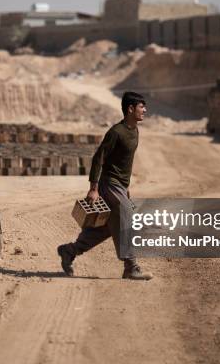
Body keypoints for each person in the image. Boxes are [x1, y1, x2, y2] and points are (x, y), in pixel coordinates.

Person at [57, 91, 153, 280]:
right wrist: (93, 189)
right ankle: (131, 267)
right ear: (130, 108)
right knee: (126, 217)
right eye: (142, 107)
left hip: (119, 186)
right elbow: (98, 158)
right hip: (109, 183)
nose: (145, 110)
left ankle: (69, 251)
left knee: (106, 228)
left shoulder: (134, 131)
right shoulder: (116, 132)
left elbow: (123, 162)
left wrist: (126, 188)